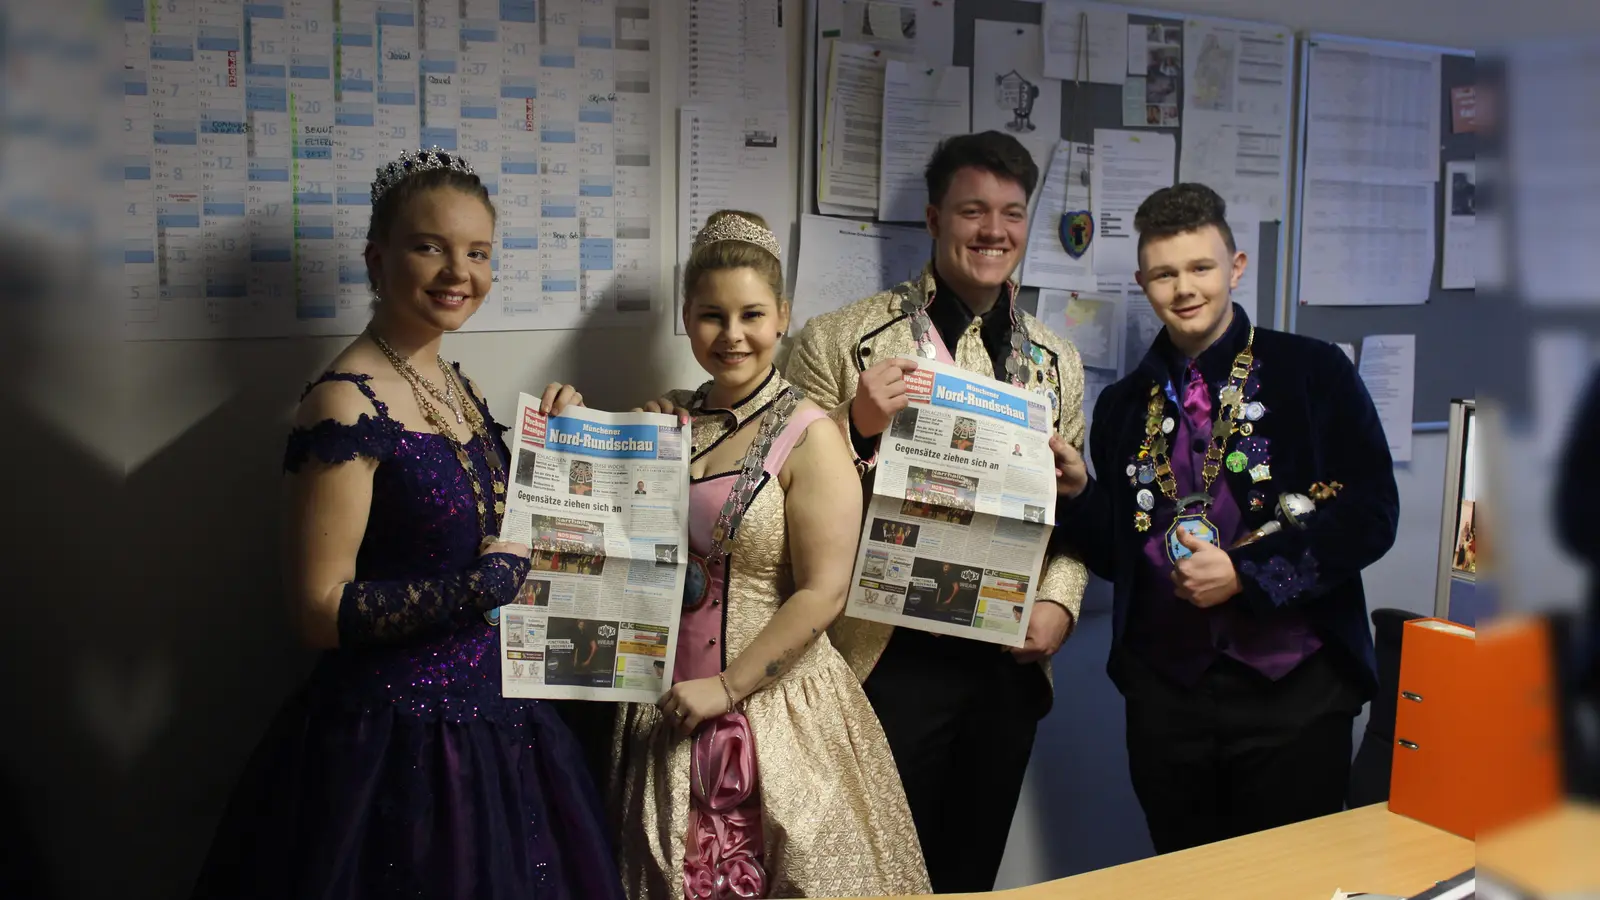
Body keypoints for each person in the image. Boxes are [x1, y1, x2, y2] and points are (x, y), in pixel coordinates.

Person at [188, 148, 624, 899]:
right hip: (397, 741)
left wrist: (567, 437)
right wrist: (477, 586)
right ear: (377, 258)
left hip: (504, 720)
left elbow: (495, 526)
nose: (459, 272)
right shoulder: (344, 402)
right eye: (431, 247)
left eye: (478, 253)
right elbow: (320, 612)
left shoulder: (459, 384)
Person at [1046, 182, 1399, 854]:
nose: (1185, 288)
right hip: (1167, 706)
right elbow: (1122, 559)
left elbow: (1371, 514)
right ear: (1144, 283)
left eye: (1201, 268)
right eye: (1165, 273)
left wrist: (1247, 573)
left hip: (1295, 696)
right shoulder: (1123, 406)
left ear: (1235, 268)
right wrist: (1084, 494)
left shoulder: (1312, 371)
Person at [785, 131, 1088, 893]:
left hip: (1003, 661)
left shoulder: (1055, 361)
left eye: (1012, 213)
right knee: (872, 874)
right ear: (933, 217)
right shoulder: (840, 341)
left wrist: (1061, 602)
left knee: (968, 874)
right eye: (972, 210)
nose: (994, 231)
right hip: (882, 654)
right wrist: (854, 428)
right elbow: (777, 507)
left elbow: (1068, 513)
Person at [605, 210, 930, 898]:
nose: (732, 335)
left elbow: (824, 592)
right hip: (665, 709)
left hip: (776, 711)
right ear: (688, 319)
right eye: (711, 316)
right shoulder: (673, 423)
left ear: (782, 316)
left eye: (751, 314)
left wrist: (727, 689)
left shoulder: (812, 434)